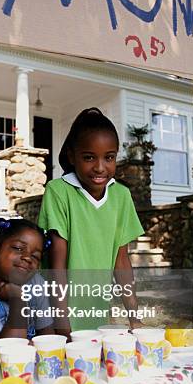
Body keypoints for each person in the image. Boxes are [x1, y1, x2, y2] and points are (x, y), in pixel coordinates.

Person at [38, 107, 144, 334]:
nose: (99, 167)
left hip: (97, 312)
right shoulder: (58, 191)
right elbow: (57, 263)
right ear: (71, 156)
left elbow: (122, 261)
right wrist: (62, 321)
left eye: (109, 157)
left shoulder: (121, 196)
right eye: (89, 157)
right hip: (56, 314)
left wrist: (134, 318)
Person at [0, 218, 55, 360]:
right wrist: (17, 299)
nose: (27, 258)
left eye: (35, 256)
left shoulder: (36, 284)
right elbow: (10, 354)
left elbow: (49, 340)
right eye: (19, 248)